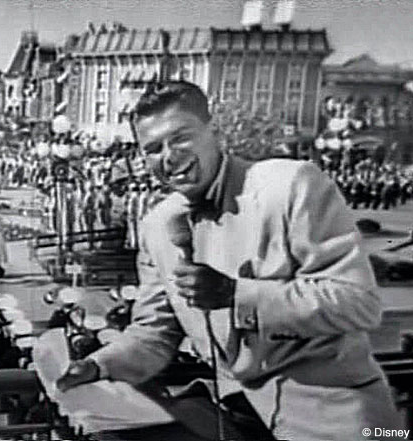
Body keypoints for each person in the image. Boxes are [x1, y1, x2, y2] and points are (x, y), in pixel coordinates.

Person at [55, 81, 403, 440]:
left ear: (215, 131)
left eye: (181, 138)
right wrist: (97, 365)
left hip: (333, 418)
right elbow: (154, 334)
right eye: (153, 149)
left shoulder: (290, 185)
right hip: (232, 415)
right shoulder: (157, 225)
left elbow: (359, 304)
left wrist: (237, 295)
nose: (169, 157)